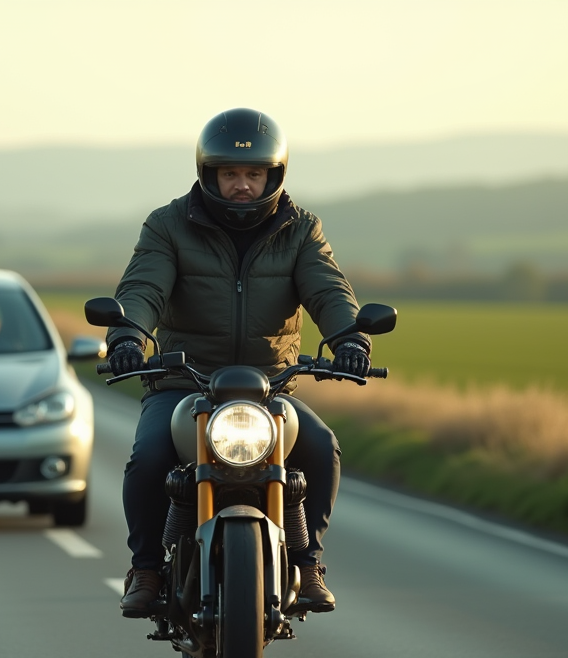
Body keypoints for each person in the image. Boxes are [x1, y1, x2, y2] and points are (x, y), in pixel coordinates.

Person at [107, 108, 372, 617]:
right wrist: (128, 334)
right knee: (148, 460)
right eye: (230, 174)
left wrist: (350, 339)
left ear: (274, 175)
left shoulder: (302, 230)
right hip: (182, 385)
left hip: (270, 390)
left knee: (322, 450)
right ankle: (145, 568)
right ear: (209, 174)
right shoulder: (168, 225)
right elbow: (142, 287)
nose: (243, 186)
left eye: (254, 174)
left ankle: (308, 563)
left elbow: (329, 289)